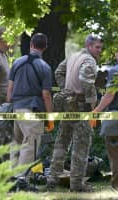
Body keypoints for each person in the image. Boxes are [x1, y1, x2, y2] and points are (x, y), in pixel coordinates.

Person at [47, 34, 103, 192]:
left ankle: (52, 179)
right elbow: (86, 82)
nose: (100, 50)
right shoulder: (89, 60)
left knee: (62, 141)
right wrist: (93, 108)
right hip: (81, 105)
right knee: (81, 144)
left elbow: (58, 72)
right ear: (89, 46)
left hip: (67, 103)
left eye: (101, 48)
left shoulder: (73, 56)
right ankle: (77, 184)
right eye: (97, 47)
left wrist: (66, 90)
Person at [7, 33, 54, 167]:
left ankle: (12, 178)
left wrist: (10, 106)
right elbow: (46, 95)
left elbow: (10, 88)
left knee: (16, 143)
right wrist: (50, 118)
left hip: (16, 108)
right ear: (45, 47)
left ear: (31, 45)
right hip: (32, 110)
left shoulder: (17, 62)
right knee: (30, 144)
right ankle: (21, 179)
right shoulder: (45, 67)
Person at [93, 53, 118, 191]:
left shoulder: (115, 71)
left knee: (115, 155)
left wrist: (96, 111)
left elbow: (109, 95)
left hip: (115, 120)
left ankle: (116, 186)